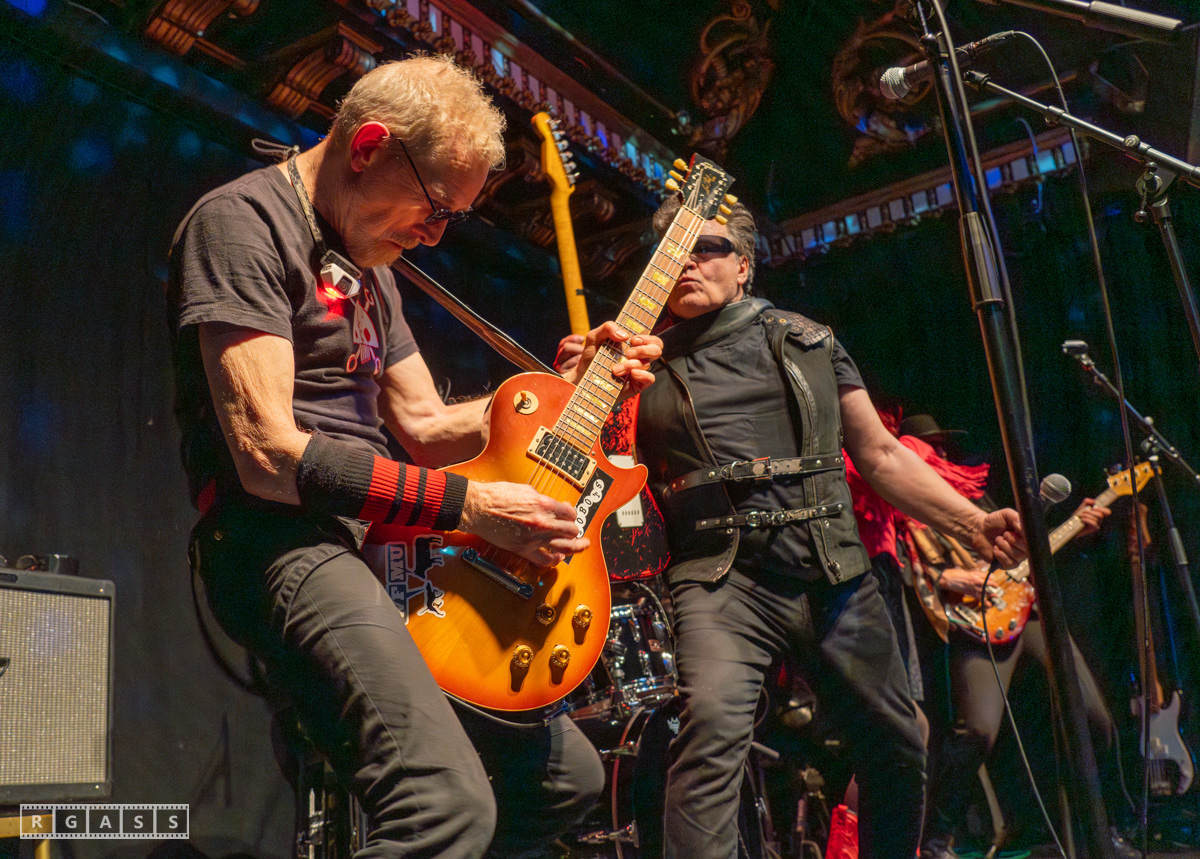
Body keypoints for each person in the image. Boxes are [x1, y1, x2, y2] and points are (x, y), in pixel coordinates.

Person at [167, 55, 664, 858]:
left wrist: (563, 391)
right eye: (434, 207)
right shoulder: (241, 224)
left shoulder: (373, 269)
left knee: (566, 780)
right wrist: (474, 507)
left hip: (373, 543)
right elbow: (267, 453)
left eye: (451, 218)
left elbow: (428, 425)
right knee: (442, 806)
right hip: (277, 538)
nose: (435, 235)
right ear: (367, 148)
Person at [558, 201, 1028, 859]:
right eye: (672, 251)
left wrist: (973, 523)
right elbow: (586, 473)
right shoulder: (635, 365)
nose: (687, 261)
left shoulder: (808, 340)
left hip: (833, 571)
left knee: (898, 741)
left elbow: (880, 455)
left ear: (744, 265)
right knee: (710, 732)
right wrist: (576, 389)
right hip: (720, 582)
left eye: (708, 247)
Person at [896, 416, 1126, 859]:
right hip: (974, 623)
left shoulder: (975, 495)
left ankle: (1101, 829)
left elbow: (1019, 559)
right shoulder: (907, 504)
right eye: (927, 446)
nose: (937, 454)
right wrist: (950, 578)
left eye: (941, 446)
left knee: (1093, 719)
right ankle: (934, 839)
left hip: (1027, 609)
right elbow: (905, 571)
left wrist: (1074, 530)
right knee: (978, 732)